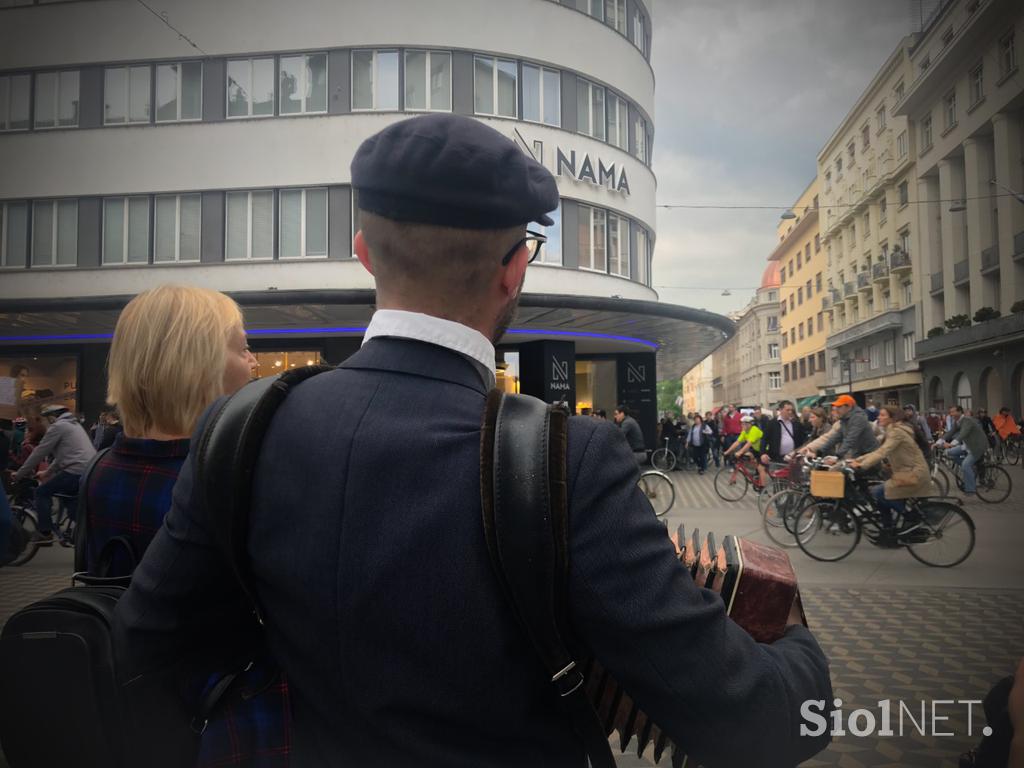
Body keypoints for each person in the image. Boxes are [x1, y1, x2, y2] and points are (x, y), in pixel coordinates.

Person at [113, 113, 832, 768]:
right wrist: (798, 641)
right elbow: (756, 725)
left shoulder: (243, 427)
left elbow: (142, 645)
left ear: (364, 251)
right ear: (516, 268)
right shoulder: (570, 460)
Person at [85, 285, 257, 577]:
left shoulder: (100, 468)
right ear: (199, 370)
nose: (254, 361)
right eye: (243, 349)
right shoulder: (228, 480)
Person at [10, 403, 96, 545]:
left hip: (75, 471)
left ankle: (45, 532)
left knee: (41, 492)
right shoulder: (73, 425)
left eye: (43, 419)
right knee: (71, 505)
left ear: (51, 418)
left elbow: (39, 452)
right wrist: (47, 472)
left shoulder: (58, 427)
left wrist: (19, 474)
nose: (43, 423)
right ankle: (84, 535)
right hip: (86, 470)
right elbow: (62, 456)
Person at [847, 406, 933, 546]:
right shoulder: (893, 430)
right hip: (907, 472)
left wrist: (861, 465)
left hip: (913, 474)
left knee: (879, 492)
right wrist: (858, 460)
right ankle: (887, 531)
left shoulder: (896, 432)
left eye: (882, 415)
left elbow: (883, 452)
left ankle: (911, 516)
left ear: (892, 418)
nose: (878, 417)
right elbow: (879, 450)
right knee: (880, 495)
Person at [800, 394, 878, 461]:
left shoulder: (858, 418)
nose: (836, 409)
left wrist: (837, 456)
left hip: (867, 455)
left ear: (849, 407)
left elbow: (850, 439)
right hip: (857, 455)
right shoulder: (845, 420)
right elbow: (836, 437)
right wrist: (819, 451)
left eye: (839, 406)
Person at [939, 405, 988, 496]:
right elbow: (950, 433)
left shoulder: (967, 420)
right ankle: (970, 471)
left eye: (953, 412)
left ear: (960, 412)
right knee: (950, 452)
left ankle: (970, 490)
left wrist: (951, 444)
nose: (951, 414)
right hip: (967, 446)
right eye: (950, 412)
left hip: (977, 447)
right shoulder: (957, 422)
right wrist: (938, 442)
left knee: (965, 465)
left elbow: (963, 434)